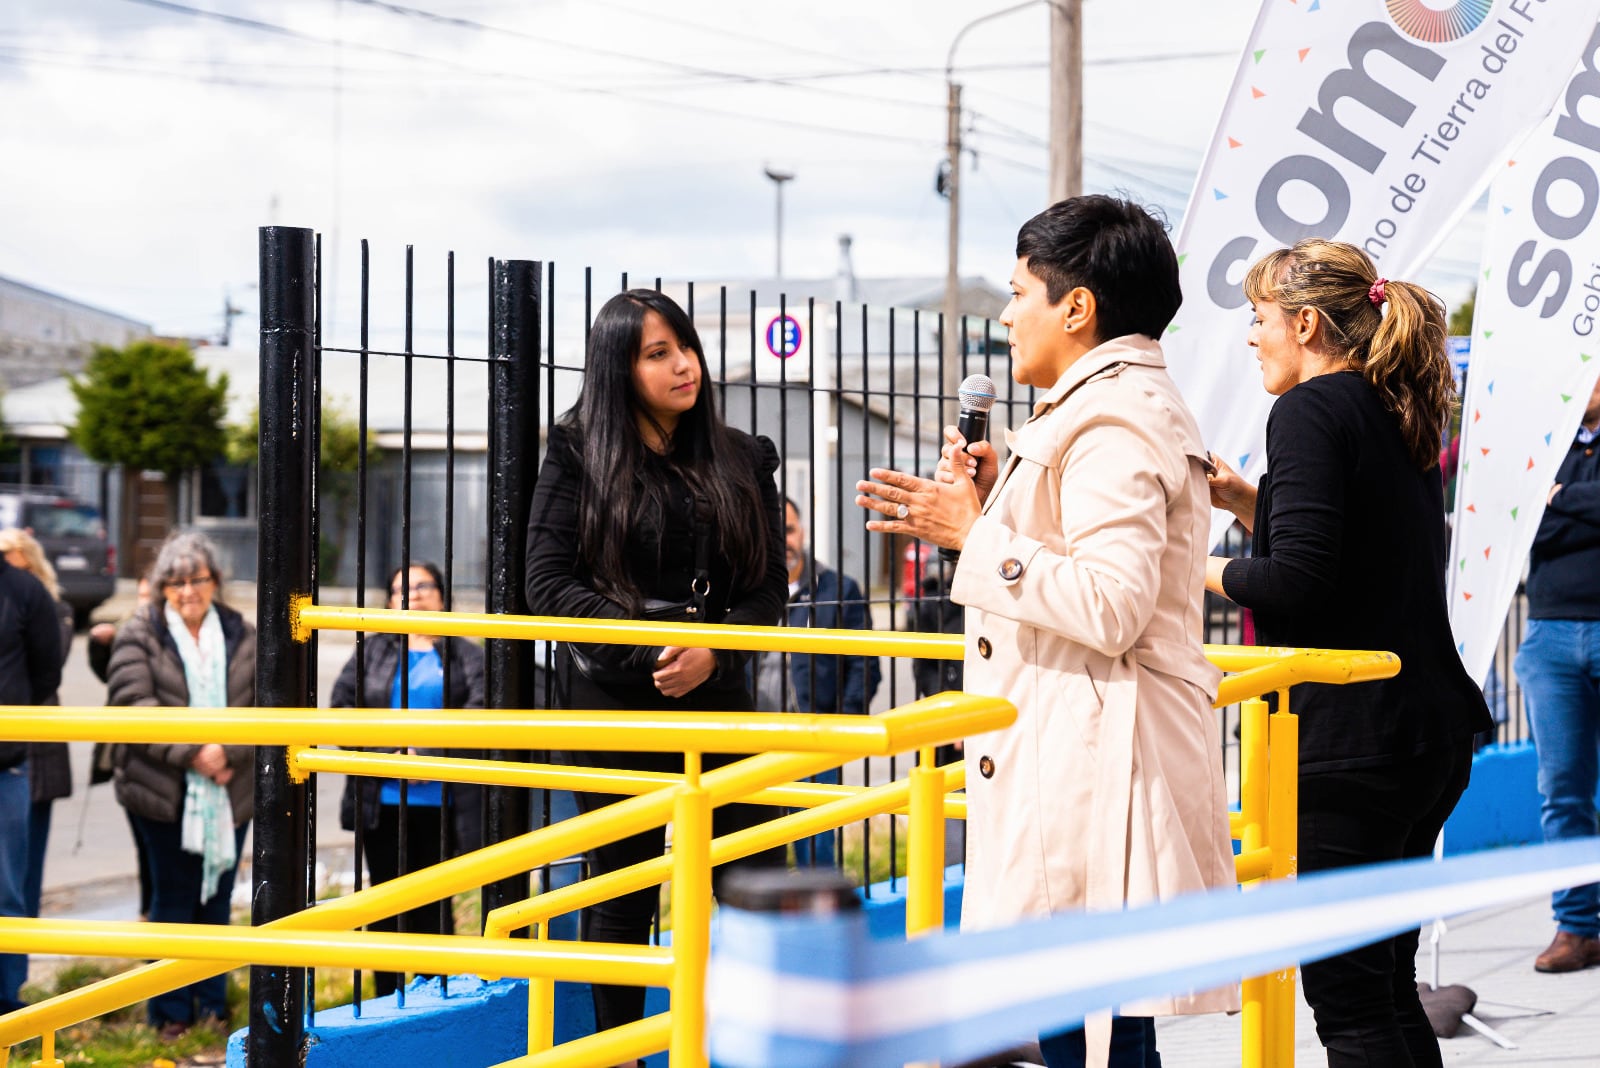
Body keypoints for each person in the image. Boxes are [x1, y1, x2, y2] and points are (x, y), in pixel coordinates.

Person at [857, 195, 1236, 1067]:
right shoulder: (1096, 408)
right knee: (1088, 1026)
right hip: (1078, 757)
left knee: (1095, 1036)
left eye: (1021, 289)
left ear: (1078, 307)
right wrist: (991, 507)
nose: (1005, 311)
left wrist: (973, 533)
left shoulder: (1113, 418)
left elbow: (1111, 603)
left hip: (1096, 769)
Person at [1203, 239, 1492, 1066]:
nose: (1251, 338)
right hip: (1422, 732)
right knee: (1385, 987)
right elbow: (1361, 549)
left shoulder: (1305, 411)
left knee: (1351, 1001)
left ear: (1304, 323)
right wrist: (1247, 501)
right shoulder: (1388, 404)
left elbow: (1298, 580)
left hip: (1354, 745)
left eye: (1259, 320)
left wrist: (1187, 565)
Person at [524, 288, 789, 1052]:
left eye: (686, 347)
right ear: (618, 368)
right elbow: (547, 585)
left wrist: (714, 649)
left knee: (750, 878)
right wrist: (653, 646)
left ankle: (752, 1046)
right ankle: (626, 1051)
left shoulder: (744, 456)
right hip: (615, 704)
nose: (684, 366)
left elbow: (768, 590)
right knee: (623, 888)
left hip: (722, 693)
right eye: (657, 353)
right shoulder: (578, 452)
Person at [108, 531, 256, 1040]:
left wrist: (228, 753)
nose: (188, 590)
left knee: (216, 901)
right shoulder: (139, 633)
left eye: (198, 579)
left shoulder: (242, 631)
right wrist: (196, 753)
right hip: (162, 791)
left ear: (216, 581)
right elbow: (133, 704)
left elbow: (263, 704)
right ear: (162, 587)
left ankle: (213, 1008)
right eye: (176, 582)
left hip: (230, 788)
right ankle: (170, 1014)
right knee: (173, 900)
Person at [330, 560, 486, 997]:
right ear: (387, 602)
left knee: (435, 908)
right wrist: (389, 756)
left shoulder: (467, 655)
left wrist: (427, 757)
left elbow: (480, 715)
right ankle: (386, 999)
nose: (413, 595)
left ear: (442, 595)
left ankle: (436, 996)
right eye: (403, 590)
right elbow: (341, 711)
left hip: (445, 803)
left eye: (423, 586)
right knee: (385, 904)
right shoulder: (373, 650)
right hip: (381, 801)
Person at [1516, 373, 1600, 973]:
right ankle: (1577, 926)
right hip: (1549, 635)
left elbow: (1547, 515)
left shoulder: (1557, 471)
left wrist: (1558, 497)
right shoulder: (1542, 443)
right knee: (1561, 790)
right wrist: (1547, 501)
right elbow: (1521, 521)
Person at [752, 497, 881, 867]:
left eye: (789, 530)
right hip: (754, 739)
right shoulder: (747, 594)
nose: (783, 540)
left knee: (817, 848)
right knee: (757, 847)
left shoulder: (838, 589)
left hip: (816, 738)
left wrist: (842, 724)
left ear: (802, 532)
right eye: (773, 533)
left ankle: (820, 919)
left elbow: (864, 664)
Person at [0, 535, 64, 1015]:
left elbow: (46, 674)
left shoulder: (24, 591)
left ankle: (7, 1001)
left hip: (6, 766)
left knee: (8, 892)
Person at [88, 574, 156, 919]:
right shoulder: (128, 628)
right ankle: (149, 918)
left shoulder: (161, 633)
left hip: (165, 760)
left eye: (150, 594)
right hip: (133, 763)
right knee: (147, 850)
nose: (144, 601)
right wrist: (100, 646)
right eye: (141, 594)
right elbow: (113, 680)